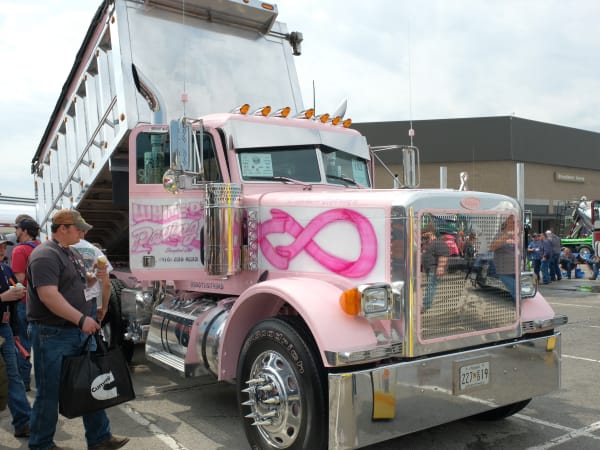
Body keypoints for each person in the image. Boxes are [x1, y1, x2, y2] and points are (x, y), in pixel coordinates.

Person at [26, 209, 129, 450]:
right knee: (49, 392)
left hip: (73, 332)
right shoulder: (45, 255)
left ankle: (100, 439)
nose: (82, 234)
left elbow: (80, 285)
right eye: (79, 229)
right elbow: (49, 296)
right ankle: (41, 444)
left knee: (90, 384)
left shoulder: (69, 252)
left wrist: (95, 277)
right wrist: (81, 319)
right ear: (63, 228)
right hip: (53, 334)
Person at [0, 235, 31, 438]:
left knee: (13, 376)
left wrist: (16, 332)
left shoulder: (5, 269)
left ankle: (24, 422)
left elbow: (13, 297)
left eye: (4, 246)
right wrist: (2, 297)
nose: (2, 250)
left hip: (5, 328)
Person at [10, 215, 41, 392]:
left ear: (24, 231)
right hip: (44, 303)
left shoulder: (19, 250)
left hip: (24, 303)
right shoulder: (43, 247)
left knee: (22, 342)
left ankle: (24, 380)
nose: (15, 231)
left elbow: (19, 282)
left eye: (17, 228)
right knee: (41, 343)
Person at [72, 229, 113, 322]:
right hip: (89, 301)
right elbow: (107, 285)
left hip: (67, 301)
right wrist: (104, 307)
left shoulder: (63, 248)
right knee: (89, 329)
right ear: (85, 231)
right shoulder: (95, 250)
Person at [489, 215, 517, 298]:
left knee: (520, 293)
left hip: (515, 270)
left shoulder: (516, 235)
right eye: (513, 222)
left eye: (516, 222)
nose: (515, 224)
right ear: (508, 222)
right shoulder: (500, 234)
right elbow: (492, 247)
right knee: (517, 292)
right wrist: (505, 237)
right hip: (504, 272)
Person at [421, 230, 449, 310]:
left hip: (434, 270)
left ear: (430, 232)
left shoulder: (438, 243)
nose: (423, 234)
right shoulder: (429, 243)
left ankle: (426, 306)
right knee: (430, 287)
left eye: (425, 232)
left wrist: (441, 267)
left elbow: (443, 254)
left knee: (431, 287)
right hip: (430, 269)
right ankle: (426, 304)